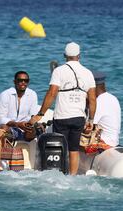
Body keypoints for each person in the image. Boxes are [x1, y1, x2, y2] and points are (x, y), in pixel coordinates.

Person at [29, 42, 96, 175]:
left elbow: (52, 93)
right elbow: (93, 99)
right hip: (79, 117)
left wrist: (41, 114)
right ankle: (72, 176)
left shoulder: (59, 71)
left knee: (61, 147)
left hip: (62, 116)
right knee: (74, 149)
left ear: (65, 55)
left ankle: (60, 173)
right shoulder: (88, 73)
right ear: (79, 55)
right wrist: (91, 120)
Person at [0, 71, 39, 141]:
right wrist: (17, 124)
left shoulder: (32, 94)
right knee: (3, 128)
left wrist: (30, 124)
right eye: (20, 80)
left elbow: (32, 116)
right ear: (14, 82)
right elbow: (1, 118)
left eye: (26, 80)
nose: (23, 82)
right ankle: (6, 151)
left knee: (34, 129)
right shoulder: (5, 94)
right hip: (8, 126)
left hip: (24, 127)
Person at [91, 72, 121, 150]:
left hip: (104, 142)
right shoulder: (113, 98)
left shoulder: (98, 102)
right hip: (115, 141)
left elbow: (90, 126)